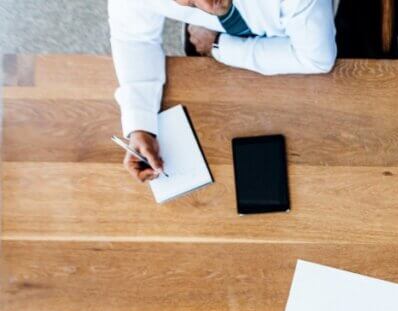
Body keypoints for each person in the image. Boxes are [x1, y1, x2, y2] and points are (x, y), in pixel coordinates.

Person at [109, 0, 337, 184]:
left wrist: (219, 45)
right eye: (190, 2)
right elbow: (134, 39)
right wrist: (140, 125)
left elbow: (316, 59)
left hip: (299, 37)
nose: (209, 6)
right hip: (214, 42)